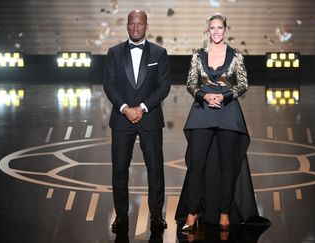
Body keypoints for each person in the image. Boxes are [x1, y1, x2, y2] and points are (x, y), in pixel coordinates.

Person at [175, 13, 267, 231]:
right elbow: (190, 84)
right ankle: (192, 213)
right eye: (212, 28)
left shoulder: (236, 55)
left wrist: (223, 96)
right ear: (207, 31)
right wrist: (205, 96)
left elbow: (243, 84)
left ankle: (224, 213)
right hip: (202, 111)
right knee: (196, 165)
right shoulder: (198, 55)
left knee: (227, 165)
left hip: (228, 113)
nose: (216, 32)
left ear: (225, 30)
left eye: (219, 28)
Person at [103, 9, 171, 233]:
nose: (135, 28)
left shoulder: (159, 53)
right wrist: (124, 108)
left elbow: (164, 86)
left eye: (139, 24)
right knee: (120, 170)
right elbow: (109, 85)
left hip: (149, 118)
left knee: (155, 170)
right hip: (122, 120)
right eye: (131, 24)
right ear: (127, 25)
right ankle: (121, 216)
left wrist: (141, 108)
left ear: (146, 25)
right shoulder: (113, 53)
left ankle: (156, 216)